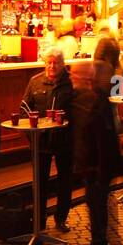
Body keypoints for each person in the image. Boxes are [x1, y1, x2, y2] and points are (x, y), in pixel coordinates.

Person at [72, 38, 123, 245]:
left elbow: (95, 130)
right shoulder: (116, 76)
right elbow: (117, 105)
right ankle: (101, 242)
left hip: (97, 158)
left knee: (97, 201)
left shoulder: (95, 95)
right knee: (99, 201)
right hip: (105, 150)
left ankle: (100, 244)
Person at [22, 48, 76, 231]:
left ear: (62, 64)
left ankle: (61, 219)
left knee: (65, 181)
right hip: (41, 141)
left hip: (65, 141)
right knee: (39, 182)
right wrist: (32, 136)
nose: (52, 66)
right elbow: (24, 109)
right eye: (49, 62)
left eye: (56, 62)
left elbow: (77, 112)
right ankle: (39, 220)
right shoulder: (35, 82)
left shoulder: (71, 83)